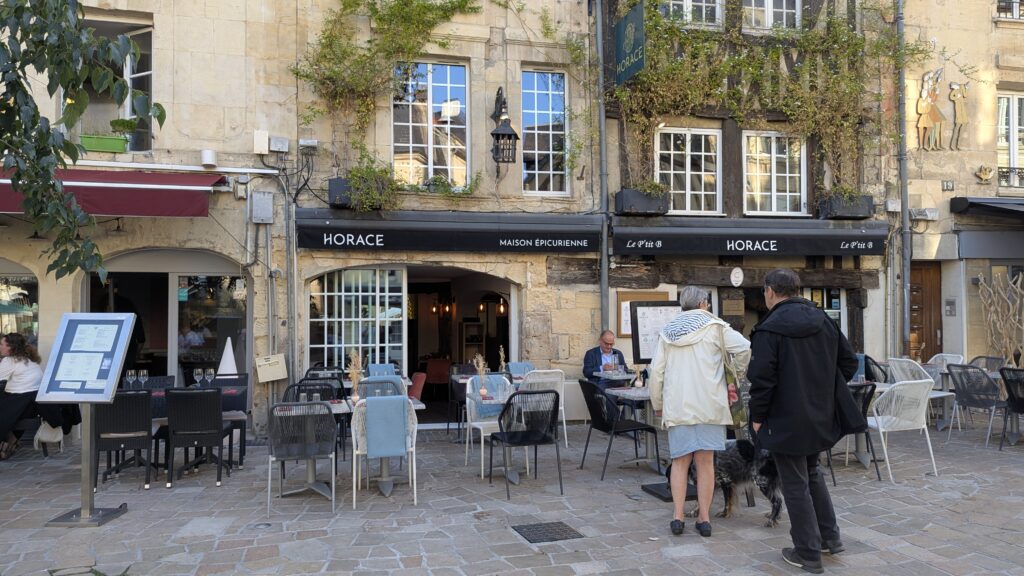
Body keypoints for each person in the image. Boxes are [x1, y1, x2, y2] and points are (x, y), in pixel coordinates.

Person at [747, 269, 858, 574]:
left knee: (795, 483)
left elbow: (762, 379)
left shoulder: (768, 329)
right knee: (811, 472)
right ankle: (829, 538)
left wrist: (757, 417)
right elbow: (849, 362)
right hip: (818, 413)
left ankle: (808, 552)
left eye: (764, 291)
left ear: (770, 291)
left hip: (785, 418)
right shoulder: (823, 320)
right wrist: (821, 389)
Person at [648, 286, 750, 538]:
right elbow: (744, 348)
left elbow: (656, 372)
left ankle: (678, 516)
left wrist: (658, 403)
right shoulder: (716, 328)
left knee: (680, 462)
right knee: (706, 463)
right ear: (704, 303)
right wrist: (734, 374)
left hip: (679, 405)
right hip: (710, 405)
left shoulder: (668, 332)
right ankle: (704, 518)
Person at [0, 333, 44, 460]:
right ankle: (9, 442)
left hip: (20, 403)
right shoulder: (29, 360)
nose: (0, 347)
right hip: (33, 406)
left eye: (2, 344)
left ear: (11, 347)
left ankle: (6, 444)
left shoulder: (9, 361)